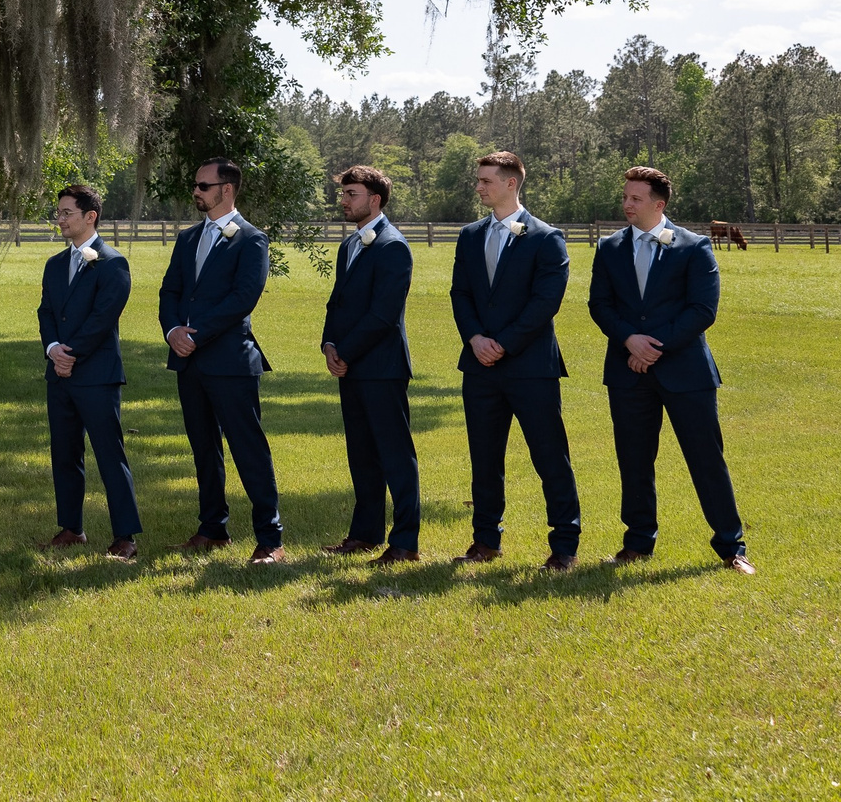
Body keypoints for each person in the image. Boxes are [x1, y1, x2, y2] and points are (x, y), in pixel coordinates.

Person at [587, 165, 750, 573]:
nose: (626, 203)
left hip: (686, 373)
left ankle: (732, 548)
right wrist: (630, 340)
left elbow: (702, 310)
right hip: (627, 371)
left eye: (635, 198)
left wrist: (652, 347)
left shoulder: (694, 247)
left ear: (658, 204)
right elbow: (600, 305)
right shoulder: (608, 248)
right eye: (625, 196)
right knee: (634, 460)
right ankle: (638, 543)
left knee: (706, 459)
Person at [448, 150, 581, 571]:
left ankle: (564, 547)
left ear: (511, 183)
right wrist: (474, 338)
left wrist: (502, 343)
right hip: (479, 366)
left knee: (550, 457)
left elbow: (546, 302)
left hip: (530, 368)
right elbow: (461, 294)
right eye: (479, 179)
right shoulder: (470, 235)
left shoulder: (546, 237)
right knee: (484, 458)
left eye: (486, 180)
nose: (479, 186)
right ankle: (485, 541)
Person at [157, 156, 283, 563]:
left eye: (204, 186)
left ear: (226, 190)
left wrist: (197, 333)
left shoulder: (251, 239)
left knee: (249, 449)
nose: (196, 191)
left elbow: (243, 298)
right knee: (203, 449)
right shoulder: (188, 239)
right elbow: (169, 292)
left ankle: (270, 539)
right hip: (189, 362)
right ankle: (213, 529)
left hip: (230, 362)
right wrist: (173, 331)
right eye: (195, 185)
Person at [318, 164, 419, 563]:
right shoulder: (349, 246)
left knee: (395, 455)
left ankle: (405, 542)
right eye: (343, 194)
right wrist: (329, 344)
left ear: (374, 200)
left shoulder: (393, 246)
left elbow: (384, 314)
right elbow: (337, 302)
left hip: (382, 367)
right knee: (361, 454)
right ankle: (365, 533)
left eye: (351, 194)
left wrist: (347, 351)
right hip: (352, 365)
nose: (343, 200)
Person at [37, 184, 139, 561]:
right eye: (58, 213)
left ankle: (125, 536)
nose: (59, 219)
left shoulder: (113, 263)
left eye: (66, 213)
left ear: (89, 216)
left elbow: (103, 318)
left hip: (96, 375)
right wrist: (53, 350)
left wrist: (72, 353)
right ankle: (71, 528)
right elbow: (46, 312)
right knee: (64, 454)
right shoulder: (54, 265)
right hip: (59, 376)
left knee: (110, 455)